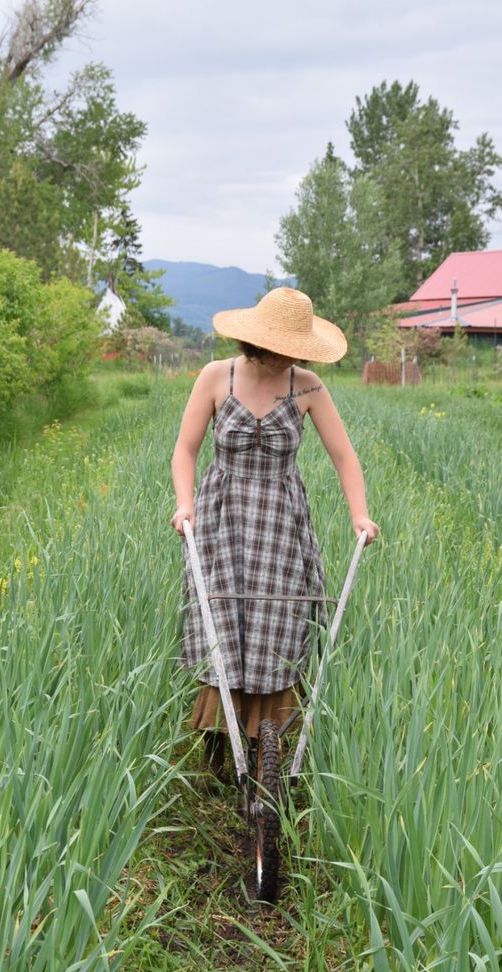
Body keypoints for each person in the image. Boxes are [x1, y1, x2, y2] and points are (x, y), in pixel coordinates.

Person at [170, 286, 379, 774]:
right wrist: (185, 505)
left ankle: (270, 738)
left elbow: (344, 455)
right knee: (222, 618)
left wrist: (360, 514)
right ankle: (219, 737)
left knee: (276, 622)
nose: (292, 357)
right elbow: (185, 450)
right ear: (258, 340)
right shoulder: (215, 376)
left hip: (282, 520)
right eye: (285, 347)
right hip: (221, 516)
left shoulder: (307, 386)